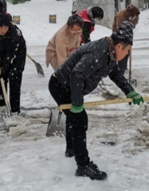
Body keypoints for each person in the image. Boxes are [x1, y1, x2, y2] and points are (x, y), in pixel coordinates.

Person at [48, 21, 143, 181]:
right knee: (79, 119)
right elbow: (76, 74)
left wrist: (130, 91)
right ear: (120, 46)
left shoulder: (110, 51)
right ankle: (83, 165)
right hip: (61, 85)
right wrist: (77, 103)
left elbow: (114, 73)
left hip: (67, 85)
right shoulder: (99, 52)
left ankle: (71, 149)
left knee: (73, 119)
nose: (127, 54)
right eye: (127, 50)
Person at [0, 13, 27, 114]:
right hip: (2, 51)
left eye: (5, 27)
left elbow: (10, 56)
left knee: (14, 79)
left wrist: (3, 70)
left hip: (17, 55)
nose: (3, 30)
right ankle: (2, 105)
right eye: (0, 28)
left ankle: (14, 109)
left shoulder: (15, 35)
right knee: (1, 80)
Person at [111, 4, 140, 72]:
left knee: (127, 52)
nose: (135, 17)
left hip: (128, 34)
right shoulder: (120, 15)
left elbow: (134, 24)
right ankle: (120, 68)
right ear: (129, 13)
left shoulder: (135, 15)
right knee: (121, 51)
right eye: (133, 16)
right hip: (119, 35)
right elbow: (117, 28)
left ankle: (123, 66)